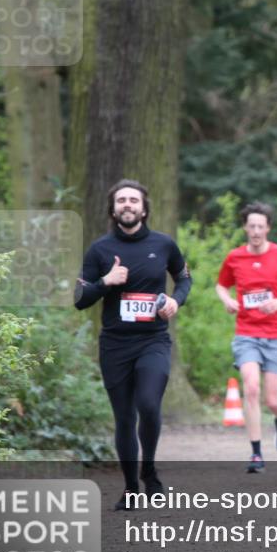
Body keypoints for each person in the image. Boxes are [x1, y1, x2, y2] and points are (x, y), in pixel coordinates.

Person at [75, 179, 192, 511]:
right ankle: (130, 488)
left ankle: (149, 471)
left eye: (133, 200)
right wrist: (105, 281)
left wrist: (176, 300)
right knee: (124, 418)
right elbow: (80, 299)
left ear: (144, 208)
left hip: (153, 340)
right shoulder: (99, 250)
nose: (127, 204)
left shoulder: (164, 244)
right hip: (115, 345)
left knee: (149, 405)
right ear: (113, 209)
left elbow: (184, 278)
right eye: (121, 200)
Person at [216, 202, 277, 473]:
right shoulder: (235, 257)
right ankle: (256, 454)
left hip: (276, 335)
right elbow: (221, 285)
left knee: (272, 400)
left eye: (260, 226)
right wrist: (227, 300)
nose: (256, 231)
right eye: (251, 226)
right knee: (251, 388)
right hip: (246, 333)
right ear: (245, 228)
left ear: (268, 228)